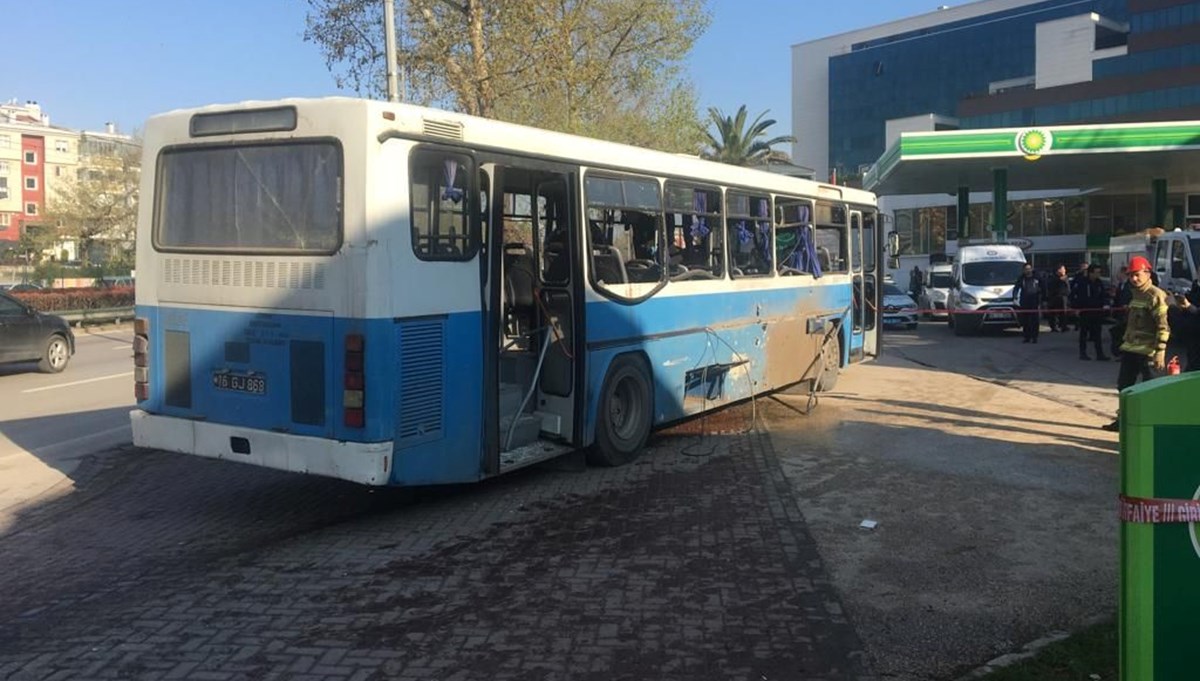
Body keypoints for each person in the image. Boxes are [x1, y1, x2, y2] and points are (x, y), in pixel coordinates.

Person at [1102, 255, 1170, 431]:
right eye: (1131, 275)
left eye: (1137, 274)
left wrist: (1160, 351)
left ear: (1148, 273)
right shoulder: (1134, 294)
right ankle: (1123, 421)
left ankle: (1155, 423)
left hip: (1148, 351)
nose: (1133, 278)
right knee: (1124, 387)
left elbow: (1163, 327)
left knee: (1152, 389)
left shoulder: (1155, 295)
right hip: (1130, 349)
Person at [1073, 264, 1110, 361]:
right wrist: (1077, 308)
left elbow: (1104, 295)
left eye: (1099, 272)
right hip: (1085, 312)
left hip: (1097, 312)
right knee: (1084, 333)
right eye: (1097, 272)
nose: (1098, 274)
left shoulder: (1099, 283)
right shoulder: (1082, 283)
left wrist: (1106, 304)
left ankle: (1100, 354)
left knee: (1097, 334)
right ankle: (1083, 353)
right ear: (1090, 273)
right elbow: (1076, 296)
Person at [1013, 262, 1044, 343]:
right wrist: (1015, 297)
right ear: (1023, 270)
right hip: (1025, 302)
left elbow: (1044, 287)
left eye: (1029, 269)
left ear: (1032, 269)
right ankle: (1027, 337)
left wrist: (1044, 299)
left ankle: (1035, 337)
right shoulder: (1021, 278)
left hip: (1035, 301)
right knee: (1025, 321)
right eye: (1026, 269)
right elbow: (1016, 288)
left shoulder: (1037, 277)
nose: (1028, 271)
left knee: (1035, 321)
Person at [1045, 264, 1070, 332]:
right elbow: (1050, 286)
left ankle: (1063, 325)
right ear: (1059, 270)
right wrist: (1059, 279)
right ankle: (1054, 326)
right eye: (1063, 269)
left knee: (1064, 312)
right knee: (1054, 313)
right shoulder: (1053, 278)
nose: (1064, 270)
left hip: (1064, 297)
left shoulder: (1065, 277)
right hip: (1055, 297)